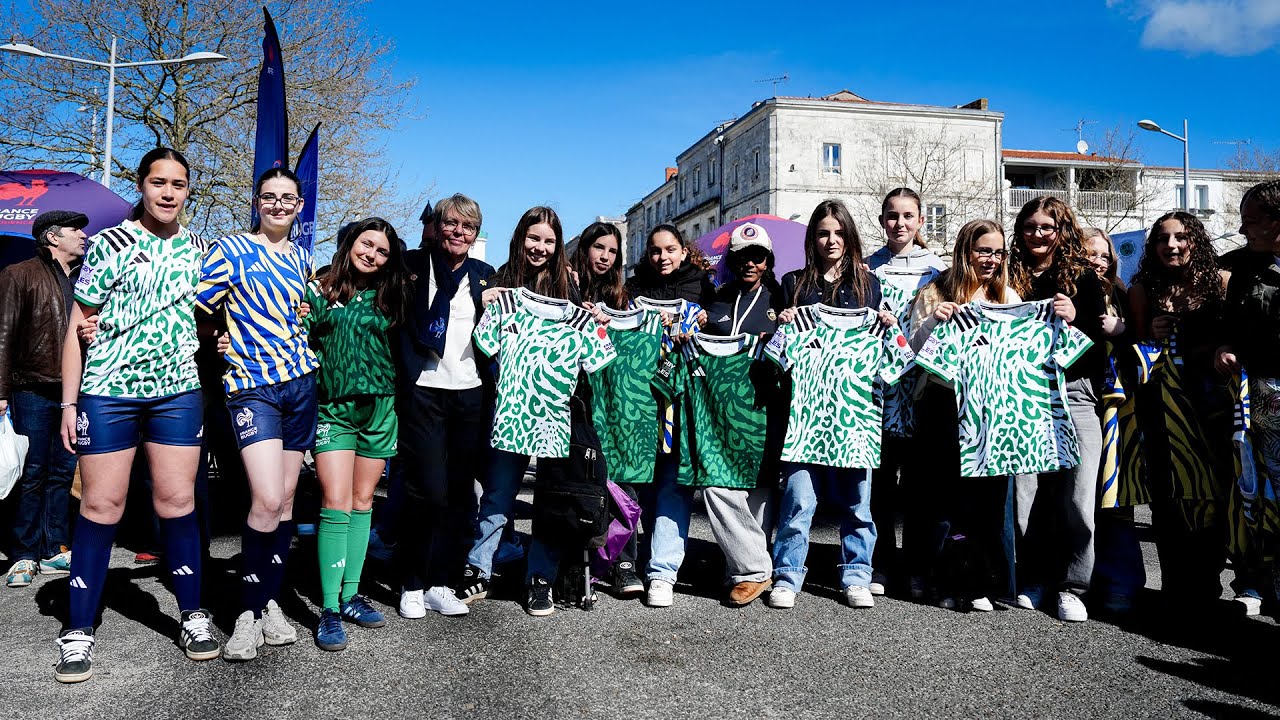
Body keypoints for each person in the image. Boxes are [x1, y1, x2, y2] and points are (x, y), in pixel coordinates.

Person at [54, 148, 218, 683]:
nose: (168, 193)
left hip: (178, 391)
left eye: (179, 184)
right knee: (102, 504)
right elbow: (77, 326)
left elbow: (212, 314)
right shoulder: (110, 243)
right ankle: (78, 630)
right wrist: (69, 403)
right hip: (109, 391)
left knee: (177, 501)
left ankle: (192, 615)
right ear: (142, 186)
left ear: (188, 190)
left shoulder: (201, 249)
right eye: (158, 182)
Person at [462, 206, 613, 616]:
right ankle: (478, 569)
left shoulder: (570, 290)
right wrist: (482, 301)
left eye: (548, 241)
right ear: (520, 238)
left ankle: (540, 580)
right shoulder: (501, 287)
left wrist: (596, 320)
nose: (540, 247)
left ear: (557, 245)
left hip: (557, 415)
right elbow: (480, 346)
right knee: (498, 493)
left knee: (551, 498)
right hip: (508, 411)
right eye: (534, 238)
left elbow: (597, 358)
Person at [196, 167, 317, 661]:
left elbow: (301, 314)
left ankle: (270, 602)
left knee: (285, 502)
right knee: (265, 499)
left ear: (299, 205)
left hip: (300, 383)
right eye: (270, 196)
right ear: (257, 201)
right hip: (252, 387)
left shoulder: (305, 258)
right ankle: (245, 614)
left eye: (288, 198)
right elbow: (196, 309)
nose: (278, 205)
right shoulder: (229, 249)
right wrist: (216, 341)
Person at [769, 199, 890, 610]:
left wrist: (888, 327)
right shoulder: (793, 283)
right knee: (798, 501)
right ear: (812, 239)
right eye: (823, 233)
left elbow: (889, 354)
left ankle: (857, 575)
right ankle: (787, 575)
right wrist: (783, 327)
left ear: (850, 237)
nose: (831, 240)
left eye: (839, 233)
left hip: (856, 414)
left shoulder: (869, 285)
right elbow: (776, 355)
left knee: (858, 506)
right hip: (805, 415)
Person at [1130, 212, 1247, 611]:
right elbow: (1136, 348)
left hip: (1213, 409)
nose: (1172, 245)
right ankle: (1176, 591)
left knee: (1214, 495)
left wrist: (1225, 346)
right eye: (1163, 239)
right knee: (1167, 500)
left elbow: (1242, 335)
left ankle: (1209, 587)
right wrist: (1149, 334)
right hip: (1163, 410)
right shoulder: (1143, 290)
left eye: (1181, 237)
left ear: (1195, 240)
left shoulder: (1223, 282)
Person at [303, 217, 409, 650]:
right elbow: (297, 339)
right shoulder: (320, 290)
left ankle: (351, 596)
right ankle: (329, 608)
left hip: (380, 409)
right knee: (335, 501)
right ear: (350, 244)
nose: (373, 255)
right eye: (367, 245)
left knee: (363, 501)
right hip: (334, 408)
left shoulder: (393, 295)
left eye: (382, 251)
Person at [908, 219, 1020, 611]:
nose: (992, 259)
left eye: (998, 252)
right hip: (942, 402)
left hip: (991, 406)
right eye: (984, 250)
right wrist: (934, 322)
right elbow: (913, 351)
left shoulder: (1006, 294)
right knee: (941, 498)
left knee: (986, 499)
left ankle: (980, 581)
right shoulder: (935, 292)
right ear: (965, 251)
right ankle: (937, 578)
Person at [1005, 195, 1107, 623]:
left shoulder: (1083, 279)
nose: (1037, 234)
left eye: (1047, 227)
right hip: (1022, 395)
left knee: (1077, 497)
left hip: (1075, 393)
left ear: (1062, 231)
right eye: (1030, 226)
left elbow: (1099, 350)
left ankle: (1072, 587)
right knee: (1024, 497)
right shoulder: (1008, 275)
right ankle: (1033, 578)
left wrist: (1076, 317)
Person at [398, 194, 495, 619]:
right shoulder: (411, 266)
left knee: (459, 494)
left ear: (476, 235)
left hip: (470, 393)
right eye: (451, 223)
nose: (458, 232)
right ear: (437, 227)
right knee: (427, 491)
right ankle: (412, 582)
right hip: (424, 390)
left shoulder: (485, 277)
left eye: (467, 227)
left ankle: (441, 582)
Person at [622, 224, 713, 608]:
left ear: (683, 251)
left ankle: (662, 571)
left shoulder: (703, 287)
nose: (663, 257)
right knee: (643, 481)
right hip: (641, 400)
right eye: (656, 250)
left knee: (674, 483)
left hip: (683, 401)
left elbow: (722, 323)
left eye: (670, 249)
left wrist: (706, 320)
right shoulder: (633, 289)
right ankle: (642, 556)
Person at [866, 188, 947, 597]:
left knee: (919, 485)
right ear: (883, 220)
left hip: (921, 389)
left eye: (908, 216)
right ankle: (880, 563)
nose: (899, 223)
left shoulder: (938, 271)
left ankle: (918, 567)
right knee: (879, 483)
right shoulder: (866, 268)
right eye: (892, 216)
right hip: (876, 388)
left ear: (920, 221)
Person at [699, 222, 785, 606]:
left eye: (757, 256)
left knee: (760, 490)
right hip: (719, 411)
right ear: (731, 260)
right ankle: (754, 567)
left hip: (764, 408)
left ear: (768, 260)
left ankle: (745, 567)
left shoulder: (780, 298)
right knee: (717, 483)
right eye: (741, 256)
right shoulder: (716, 300)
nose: (749, 263)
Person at [0, 210, 86, 587]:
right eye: (74, 230)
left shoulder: (87, 278)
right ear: (52, 237)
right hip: (31, 387)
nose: (83, 236)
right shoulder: (18, 274)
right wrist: (0, 392)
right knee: (32, 471)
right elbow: (2, 334)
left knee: (63, 472)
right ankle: (23, 553)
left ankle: (54, 547)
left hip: (75, 390)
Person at [1216, 179, 1280, 613]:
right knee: (1253, 492)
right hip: (1256, 398)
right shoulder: (1238, 267)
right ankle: (1254, 583)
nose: (1242, 229)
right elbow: (1224, 324)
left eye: (1252, 221)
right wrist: (1222, 345)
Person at [1082, 227, 1144, 615]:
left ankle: (1121, 583)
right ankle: (1083, 579)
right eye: (1090, 254)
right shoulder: (1067, 291)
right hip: (1079, 402)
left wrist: (1123, 331)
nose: (1099, 262)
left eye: (1105, 256)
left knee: (1115, 497)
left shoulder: (1122, 293)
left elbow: (1145, 340)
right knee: (1080, 499)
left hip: (1118, 408)